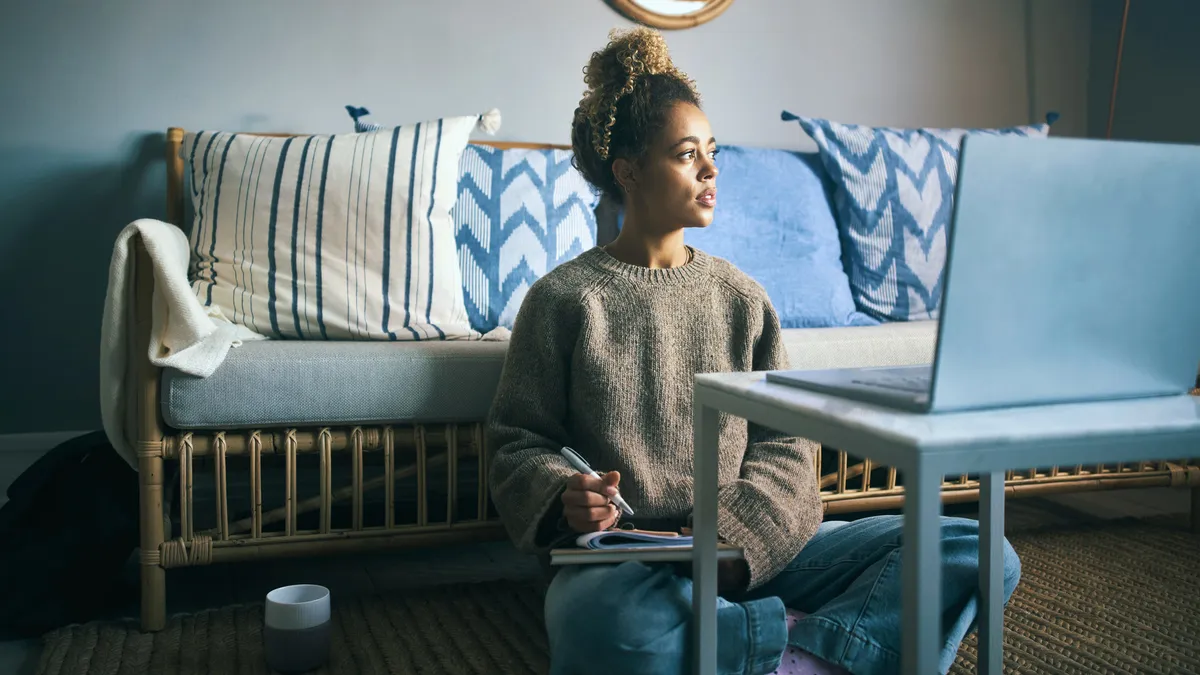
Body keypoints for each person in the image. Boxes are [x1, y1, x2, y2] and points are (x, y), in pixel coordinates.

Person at [486, 26, 1021, 675]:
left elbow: (788, 448)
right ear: (628, 170)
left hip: (749, 555)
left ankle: (788, 653)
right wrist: (564, 492)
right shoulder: (563, 300)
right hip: (629, 567)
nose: (711, 169)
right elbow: (517, 439)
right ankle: (801, 644)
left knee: (976, 548)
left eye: (711, 151)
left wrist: (732, 543)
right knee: (599, 622)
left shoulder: (742, 299)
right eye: (687, 154)